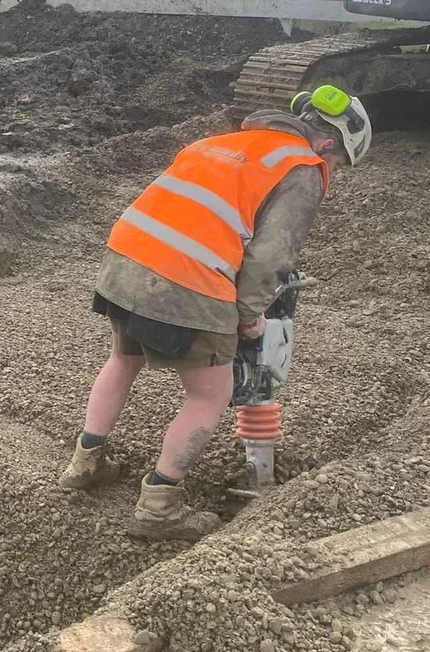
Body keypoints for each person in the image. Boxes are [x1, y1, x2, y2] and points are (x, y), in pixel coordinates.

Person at [60, 85, 372, 541]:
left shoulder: (221, 143)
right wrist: (248, 316)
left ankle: (84, 464)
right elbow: (270, 258)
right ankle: (159, 507)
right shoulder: (303, 168)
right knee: (209, 394)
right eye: (339, 162)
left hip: (125, 258)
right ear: (327, 143)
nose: (334, 170)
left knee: (124, 361)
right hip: (186, 279)